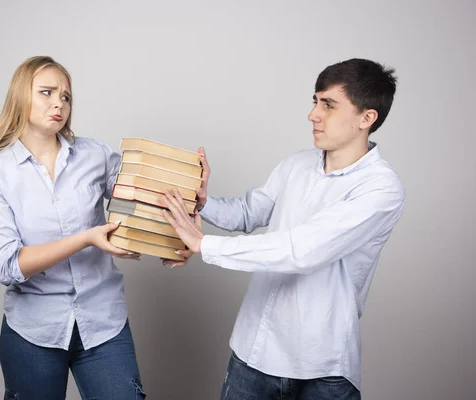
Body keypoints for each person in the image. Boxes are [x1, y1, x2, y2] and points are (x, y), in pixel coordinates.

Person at [161, 58, 406, 399]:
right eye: (315, 101)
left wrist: (204, 245)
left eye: (329, 105)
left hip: (322, 368)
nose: (313, 114)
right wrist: (200, 201)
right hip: (253, 352)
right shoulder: (296, 164)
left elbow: (301, 251)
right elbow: (248, 213)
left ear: (367, 118)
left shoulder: (381, 189)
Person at [0, 56, 146, 400]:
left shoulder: (96, 155)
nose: (59, 103)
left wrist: (190, 201)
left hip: (103, 321)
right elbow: (6, 265)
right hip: (33, 331)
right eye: (47, 92)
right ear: (20, 97)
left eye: (66, 96)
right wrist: (86, 239)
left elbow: (142, 200)